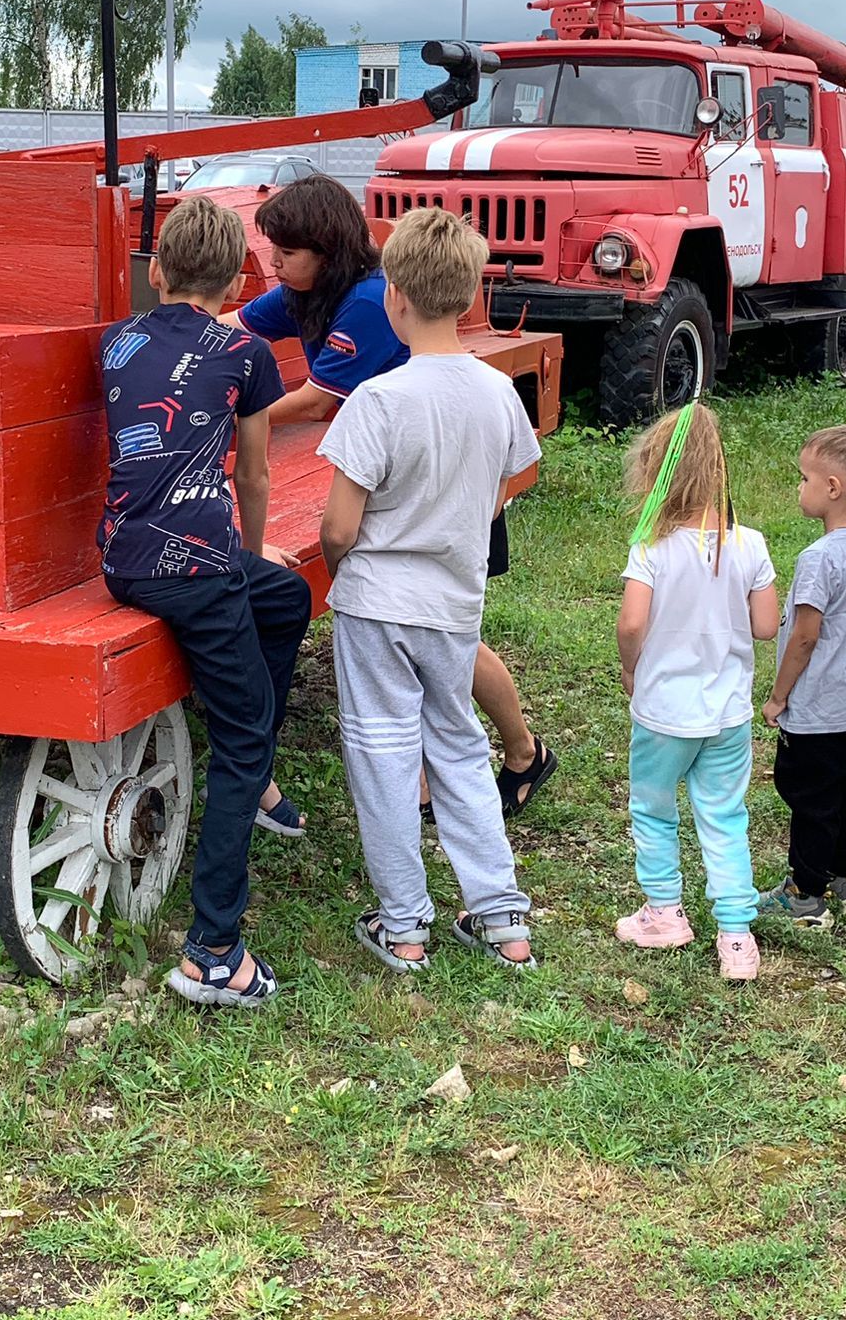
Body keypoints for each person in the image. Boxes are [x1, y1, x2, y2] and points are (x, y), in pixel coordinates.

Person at [222, 173, 556, 817]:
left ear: (323, 249)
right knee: (434, 640)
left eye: (284, 253)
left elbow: (320, 400)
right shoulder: (303, 290)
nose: (272, 264)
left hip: (429, 493)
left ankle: (522, 752)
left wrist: (238, 419)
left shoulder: (370, 304)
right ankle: (438, 781)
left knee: (451, 643)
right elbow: (234, 322)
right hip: (397, 483)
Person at [98, 196, 313, 1007]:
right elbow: (253, 473)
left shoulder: (118, 340)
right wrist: (246, 549)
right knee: (245, 726)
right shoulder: (244, 350)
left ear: (157, 275)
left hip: (125, 559)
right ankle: (214, 951)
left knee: (287, 598)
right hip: (199, 566)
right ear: (234, 282)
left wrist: (254, 568)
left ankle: (252, 763)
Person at [318, 207, 541, 972]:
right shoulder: (496, 392)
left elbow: (341, 526)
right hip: (453, 606)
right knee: (458, 745)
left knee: (382, 754)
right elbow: (509, 480)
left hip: (378, 604)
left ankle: (404, 923)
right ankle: (503, 916)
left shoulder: (377, 402)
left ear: (395, 299)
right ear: (472, 295)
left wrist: (335, 565)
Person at [615, 403, 779, 981]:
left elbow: (632, 624)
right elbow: (765, 626)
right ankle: (736, 936)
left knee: (654, 811)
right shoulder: (750, 544)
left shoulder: (651, 548)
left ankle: (665, 913)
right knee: (725, 815)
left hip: (663, 713)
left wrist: (631, 668)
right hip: (728, 714)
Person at [758, 425, 846, 929]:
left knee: (810, 802)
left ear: (832, 487)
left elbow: (804, 638)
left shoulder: (817, 559)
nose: (798, 487)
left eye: (804, 477)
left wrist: (777, 696)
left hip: (817, 713)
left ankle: (805, 892)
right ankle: (844, 875)